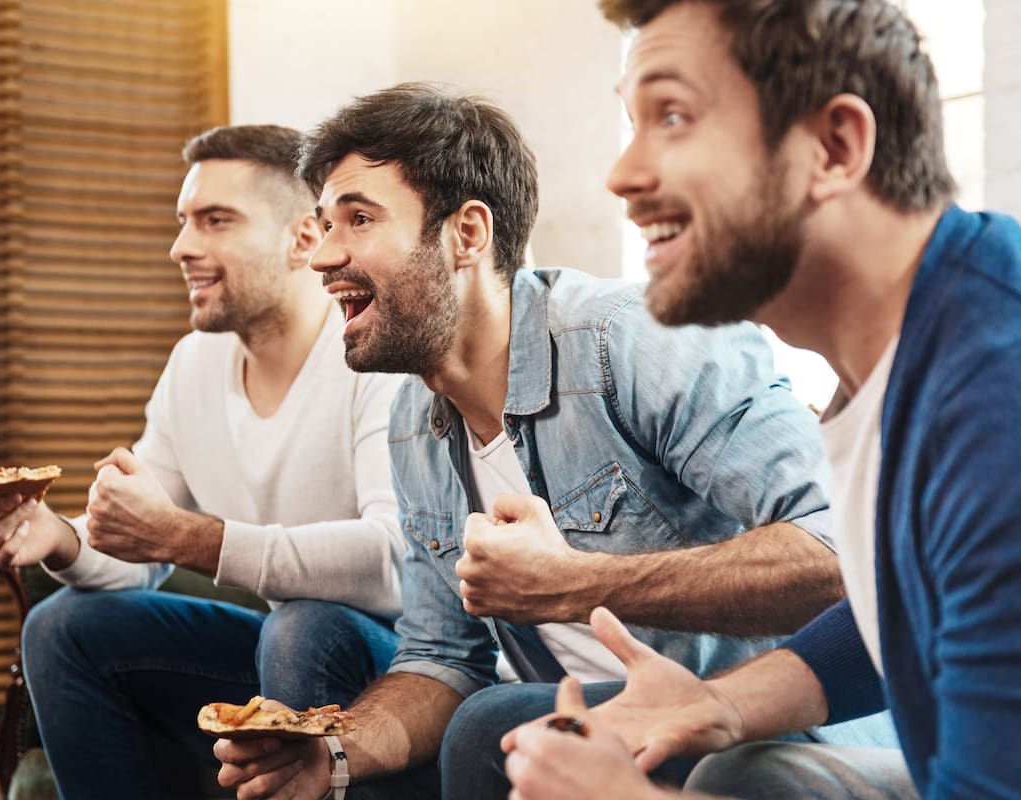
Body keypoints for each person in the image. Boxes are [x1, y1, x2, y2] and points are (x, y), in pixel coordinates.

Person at [213, 83, 893, 800]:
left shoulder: (637, 339)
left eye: (358, 219)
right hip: (581, 727)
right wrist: (339, 752)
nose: (322, 256)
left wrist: (573, 585)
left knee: (493, 724)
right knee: (393, 747)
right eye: (322, 225)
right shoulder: (415, 420)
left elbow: (844, 552)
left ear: (467, 235)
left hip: (763, 727)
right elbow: (442, 659)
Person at [502, 1, 1021, 798]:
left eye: (674, 116)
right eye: (632, 123)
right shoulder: (907, 349)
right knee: (743, 771)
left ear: (834, 147)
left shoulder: (1020, 407)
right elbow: (908, 604)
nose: (623, 175)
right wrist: (716, 701)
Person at [0, 124, 406, 800]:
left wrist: (196, 539)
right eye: (183, 222)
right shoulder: (195, 364)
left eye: (215, 221)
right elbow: (143, 552)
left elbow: (397, 561)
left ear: (304, 238)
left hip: (398, 672)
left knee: (302, 624)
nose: (182, 247)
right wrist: (59, 540)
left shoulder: (371, 356)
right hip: (280, 655)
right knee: (64, 626)